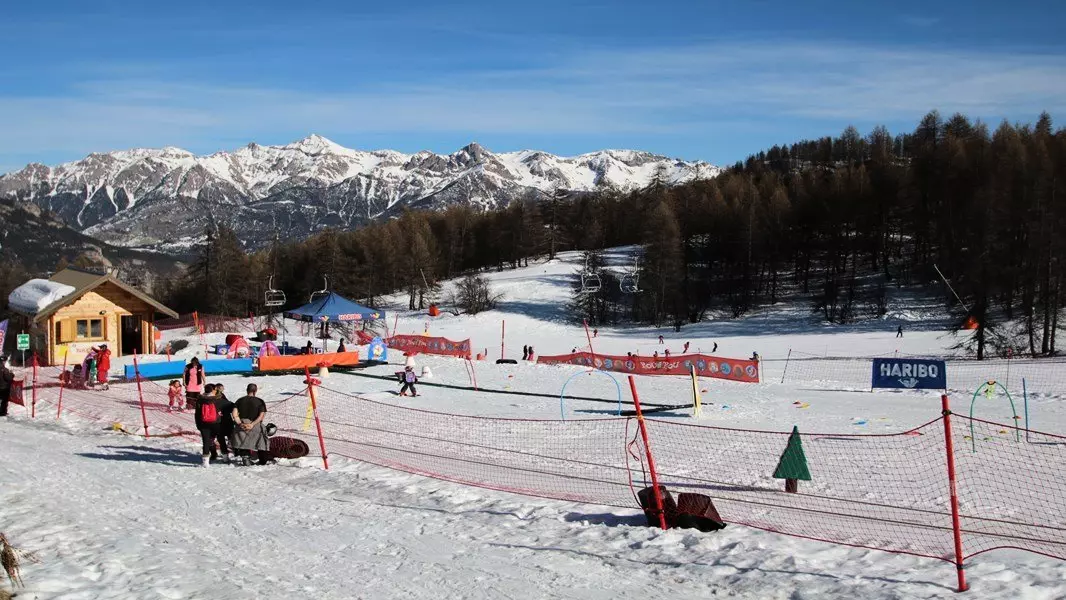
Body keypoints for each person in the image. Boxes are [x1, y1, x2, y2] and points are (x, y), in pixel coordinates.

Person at [232, 383, 269, 466]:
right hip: (255, 424)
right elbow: (261, 416)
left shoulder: (239, 400)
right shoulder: (260, 401)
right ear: (255, 391)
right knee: (261, 442)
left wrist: (240, 423)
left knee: (243, 442)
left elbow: (234, 414)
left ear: (247, 390)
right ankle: (263, 460)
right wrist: (252, 424)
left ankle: (246, 458)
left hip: (242, 425)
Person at [195, 384, 224, 467]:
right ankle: (225, 457)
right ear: (213, 390)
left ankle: (205, 462)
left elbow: (197, 414)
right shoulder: (216, 399)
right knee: (220, 439)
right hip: (216, 423)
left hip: (203, 423)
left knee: (206, 441)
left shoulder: (200, 400)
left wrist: (198, 424)